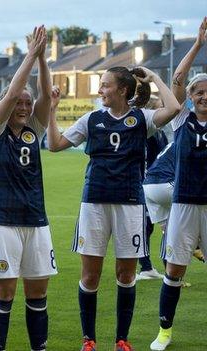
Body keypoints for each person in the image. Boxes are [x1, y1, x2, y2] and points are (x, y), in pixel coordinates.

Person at [47, 61, 181, 350]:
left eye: (105, 85)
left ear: (122, 90)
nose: (100, 90)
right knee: (90, 275)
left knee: (126, 274)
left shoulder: (142, 119)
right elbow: (54, 144)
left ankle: (122, 338)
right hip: (94, 203)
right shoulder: (91, 119)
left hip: (130, 204)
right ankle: (89, 340)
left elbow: (174, 109)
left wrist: (155, 76)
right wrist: (52, 109)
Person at [0, 26, 55, 351]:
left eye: (27, 103)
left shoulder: (33, 129)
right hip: (3, 222)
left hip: (36, 221)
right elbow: (12, 94)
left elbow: (45, 94)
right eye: (19, 103)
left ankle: (38, 347)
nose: (24, 107)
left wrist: (42, 59)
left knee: (38, 293)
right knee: (5, 292)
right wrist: (29, 55)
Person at [150, 17, 207, 351]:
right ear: (190, 98)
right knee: (174, 270)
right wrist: (198, 44)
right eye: (198, 92)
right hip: (184, 203)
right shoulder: (182, 120)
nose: (203, 97)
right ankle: (165, 330)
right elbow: (177, 77)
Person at [137, 96, 168, 280]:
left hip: (155, 183)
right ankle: (145, 267)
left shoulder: (160, 132)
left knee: (152, 226)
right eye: (160, 107)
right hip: (146, 184)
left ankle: (148, 267)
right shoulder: (148, 133)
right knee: (145, 226)